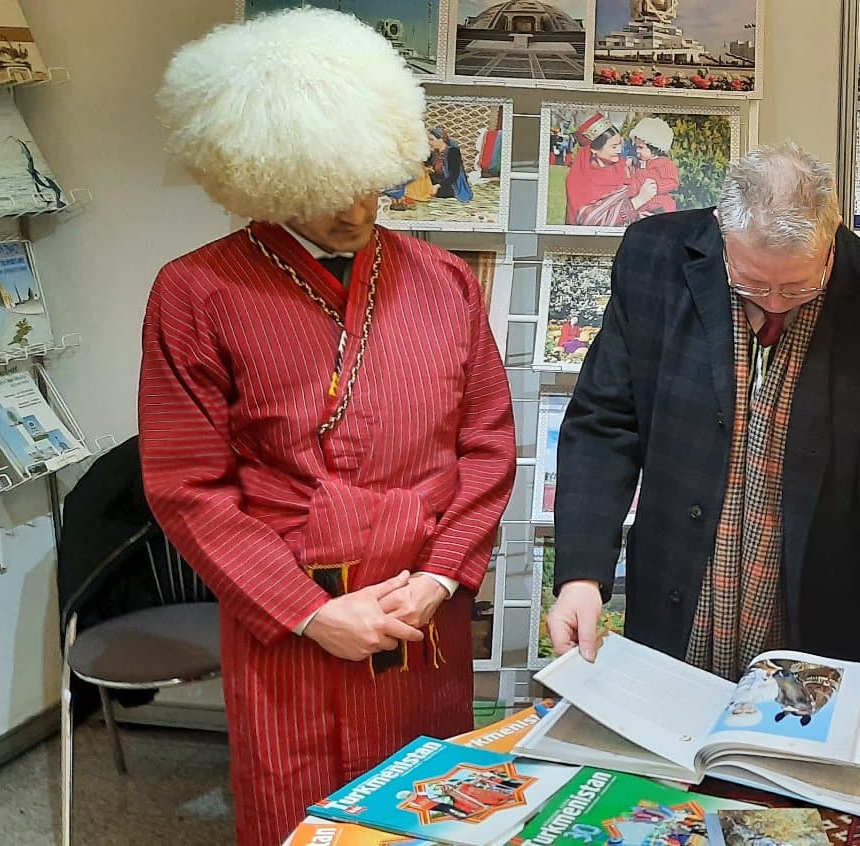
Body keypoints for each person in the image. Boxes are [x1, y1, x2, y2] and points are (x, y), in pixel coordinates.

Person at [141, 10, 516, 843]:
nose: (353, 209)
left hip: (423, 608)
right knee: (297, 808)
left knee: (428, 803)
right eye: (321, 190)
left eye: (367, 181)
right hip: (290, 610)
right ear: (264, 178)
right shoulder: (196, 293)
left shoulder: (446, 280)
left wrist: (442, 577)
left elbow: (487, 445)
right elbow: (186, 485)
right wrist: (312, 615)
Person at [544, 143, 860, 717]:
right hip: (676, 589)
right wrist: (582, 573)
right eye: (753, 284)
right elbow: (604, 420)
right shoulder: (655, 257)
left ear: (831, 237)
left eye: (799, 288)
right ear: (723, 233)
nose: (775, 305)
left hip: (811, 602)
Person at [564, 112, 654, 227]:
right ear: (594, 150)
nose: (619, 150)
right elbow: (589, 220)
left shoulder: (626, 168)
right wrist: (638, 201)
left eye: (620, 145)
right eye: (613, 147)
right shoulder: (578, 179)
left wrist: (638, 214)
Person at [630, 116, 680, 216]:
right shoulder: (639, 164)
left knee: (663, 210)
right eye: (636, 147)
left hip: (659, 204)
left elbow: (673, 181)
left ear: (654, 148)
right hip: (644, 203)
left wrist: (657, 187)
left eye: (641, 148)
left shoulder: (663, 163)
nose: (637, 151)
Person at [429, 127, 472, 202]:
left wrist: (438, 186)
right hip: (436, 181)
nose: (430, 142)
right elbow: (426, 165)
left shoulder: (453, 152)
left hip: (449, 183)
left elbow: (454, 175)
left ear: (441, 139)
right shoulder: (433, 153)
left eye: (432, 140)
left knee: (442, 193)